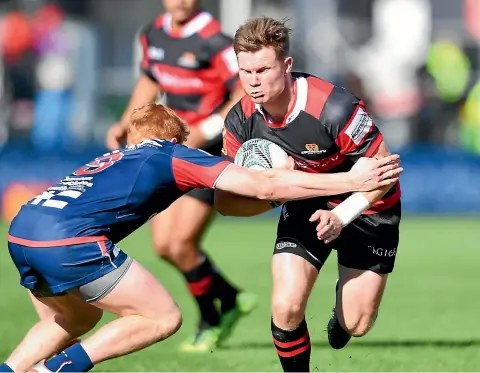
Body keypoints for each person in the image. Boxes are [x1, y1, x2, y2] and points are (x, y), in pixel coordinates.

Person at [0, 103, 401, 373]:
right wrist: (349, 180)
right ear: (178, 139)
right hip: (67, 242)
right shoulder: (172, 154)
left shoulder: (115, 157)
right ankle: (53, 370)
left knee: (76, 318)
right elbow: (261, 187)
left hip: (21, 231)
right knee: (162, 317)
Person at [216, 17, 402, 372]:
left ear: (286, 65)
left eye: (263, 69)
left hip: (367, 207)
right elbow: (225, 202)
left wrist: (341, 215)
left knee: (357, 324)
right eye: (245, 71)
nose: (253, 81)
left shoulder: (333, 108)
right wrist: (277, 192)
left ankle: (342, 314)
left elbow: (385, 173)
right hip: (304, 203)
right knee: (286, 306)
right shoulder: (239, 121)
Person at [105, 0, 247, 352]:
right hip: (168, 148)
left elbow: (242, 91)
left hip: (207, 152)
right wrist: (127, 123)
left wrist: (208, 127)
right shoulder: (154, 32)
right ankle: (230, 297)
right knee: (164, 246)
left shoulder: (215, 40)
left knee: (181, 243)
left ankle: (212, 319)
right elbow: (149, 82)